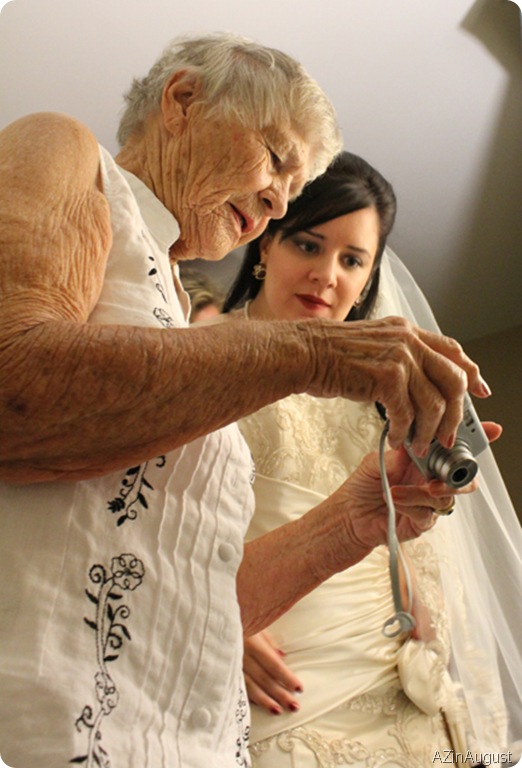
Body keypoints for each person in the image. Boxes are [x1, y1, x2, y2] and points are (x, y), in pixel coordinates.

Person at [0, 32, 495, 768]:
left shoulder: (176, 309)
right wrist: (313, 352)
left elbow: (194, 608)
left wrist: (354, 520)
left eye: (293, 189)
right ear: (182, 101)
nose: (277, 200)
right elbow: (13, 389)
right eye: (274, 158)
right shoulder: (65, 150)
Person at [223, 152, 522, 766]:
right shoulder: (199, 357)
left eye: (352, 260)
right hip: (286, 678)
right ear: (266, 245)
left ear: (368, 280)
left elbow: (404, 555)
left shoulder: (380, 401)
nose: (326, 275)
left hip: (397, 675)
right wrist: (211, 619)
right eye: (308, 245)